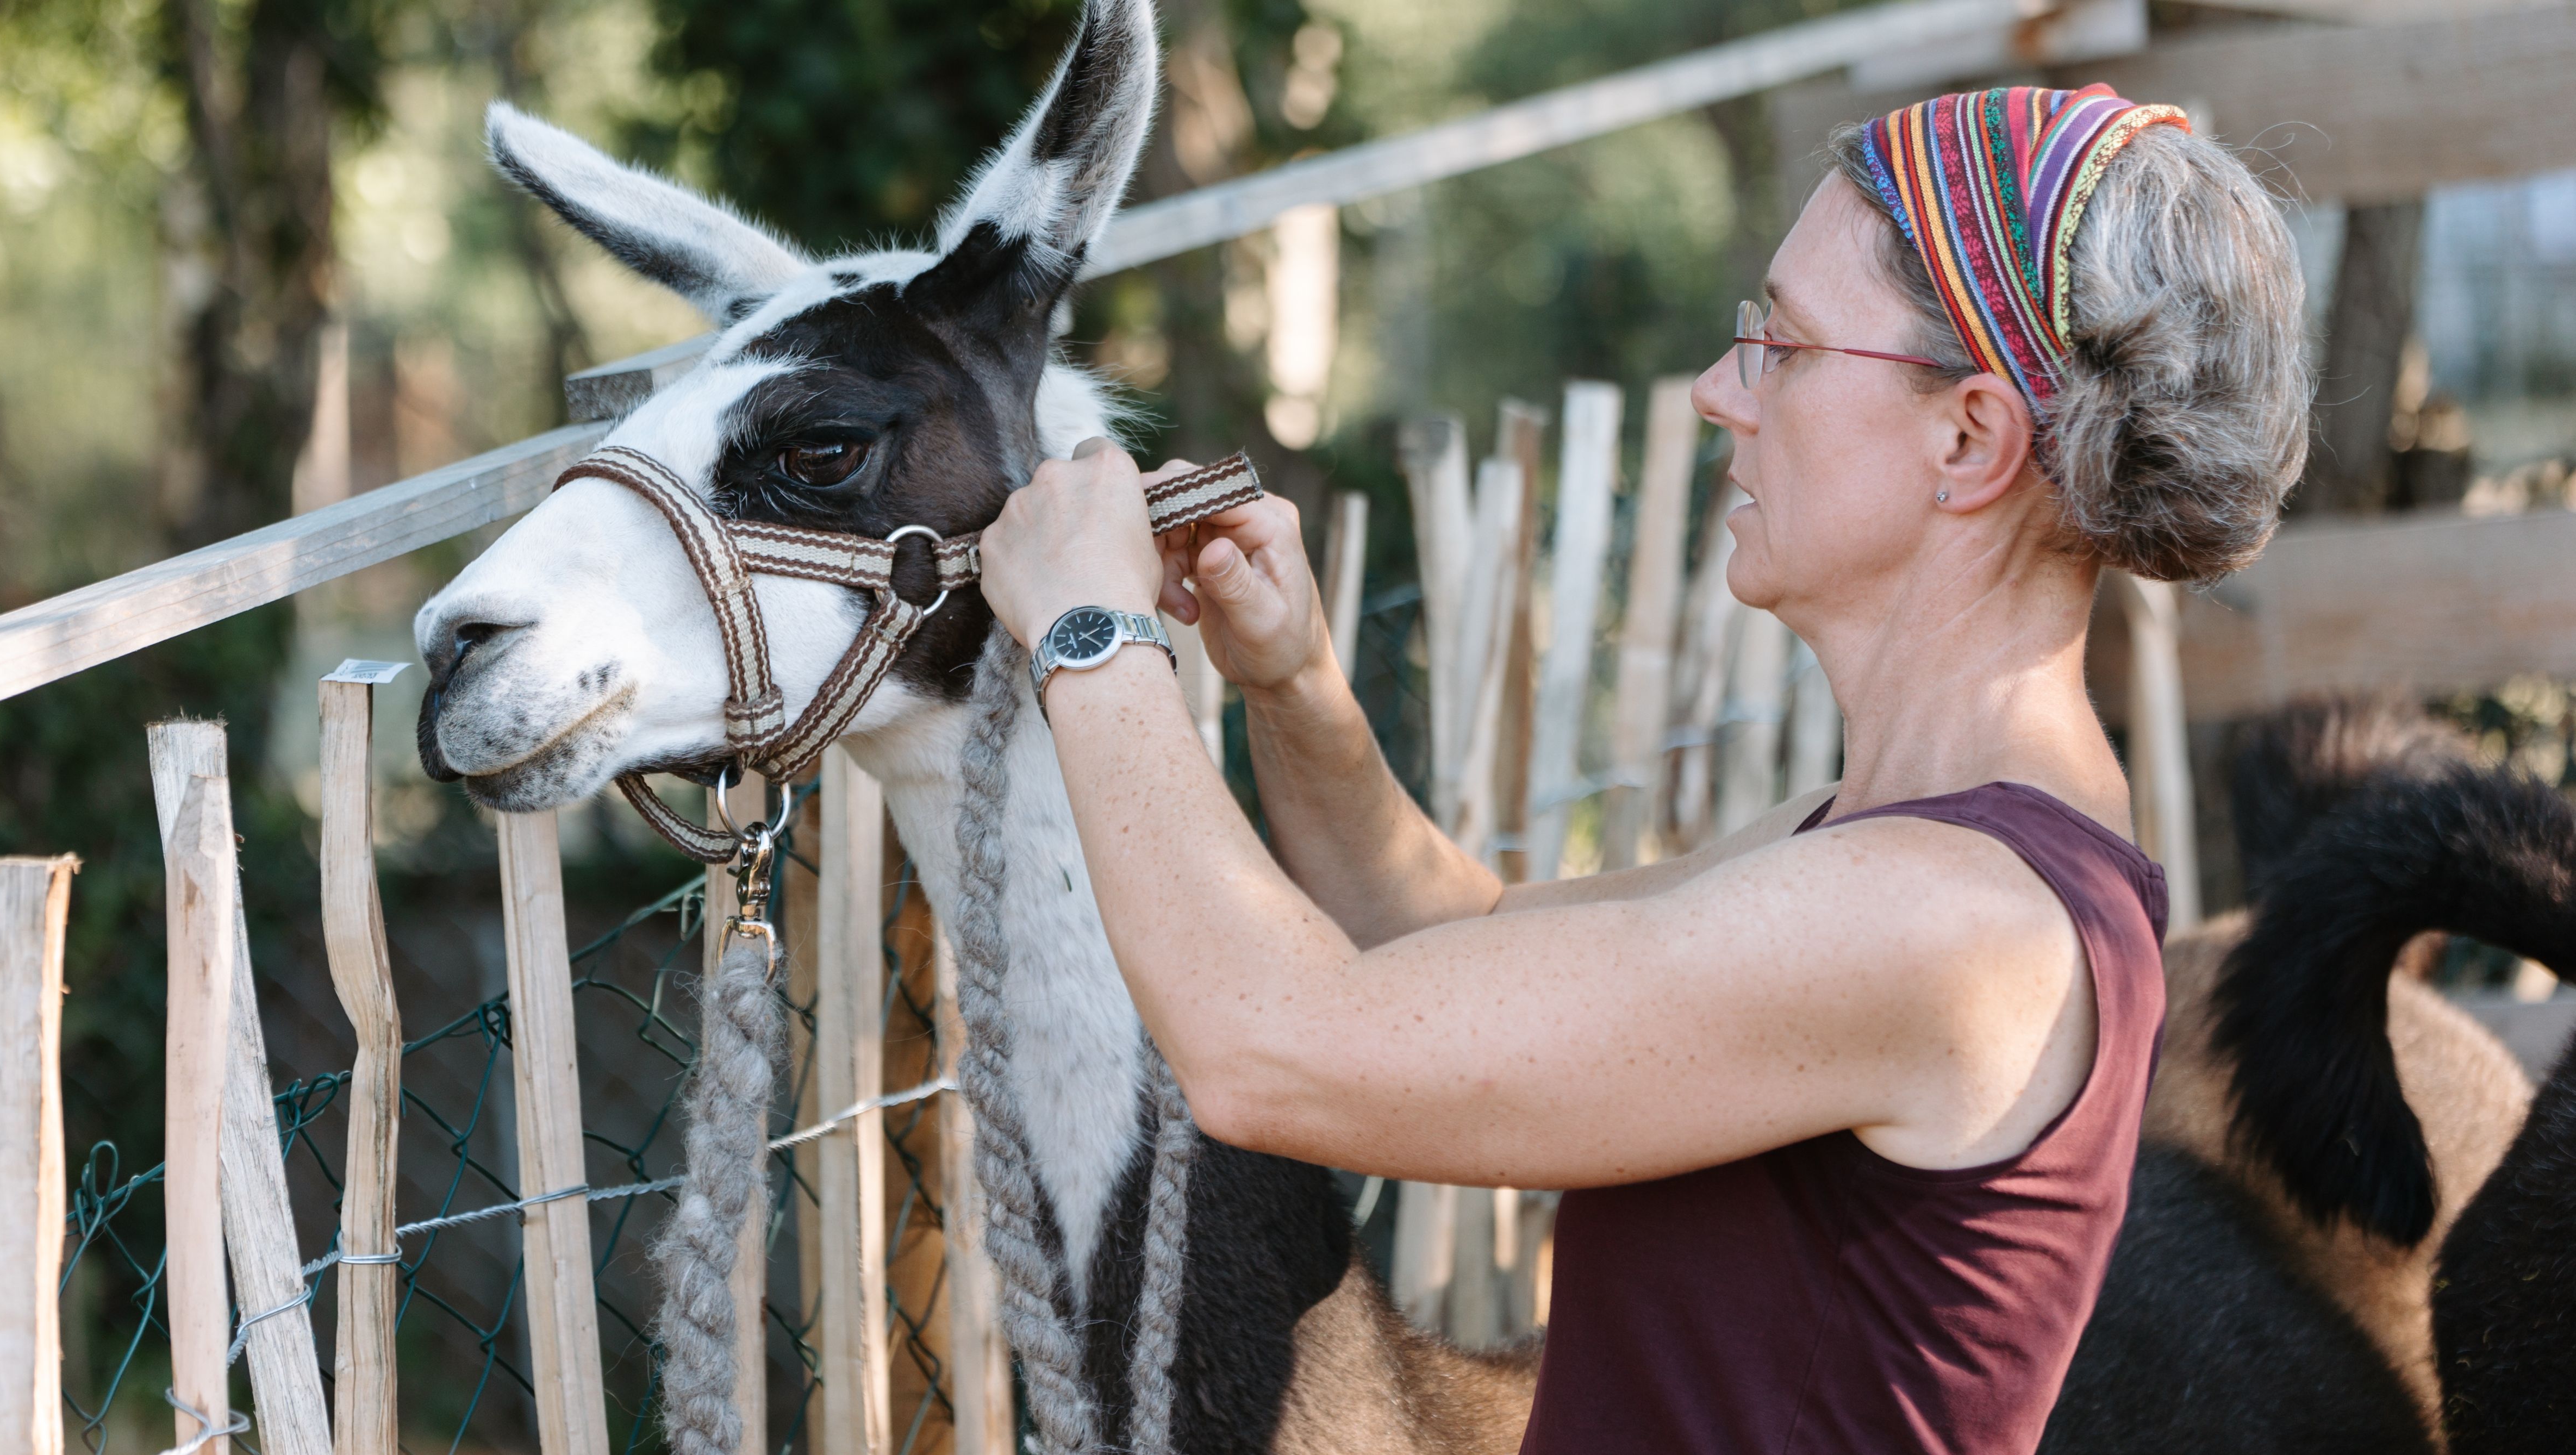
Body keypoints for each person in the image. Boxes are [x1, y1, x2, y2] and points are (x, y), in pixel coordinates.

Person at [975, 84, 2312, 1454]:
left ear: (1967, 438)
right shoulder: (1895, 850)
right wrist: (1298, 685)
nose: (1719, 390)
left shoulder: (1946, 919)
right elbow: (1451, 933)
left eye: (1781, 345)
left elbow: (1271, 1051)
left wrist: (1094, 637)